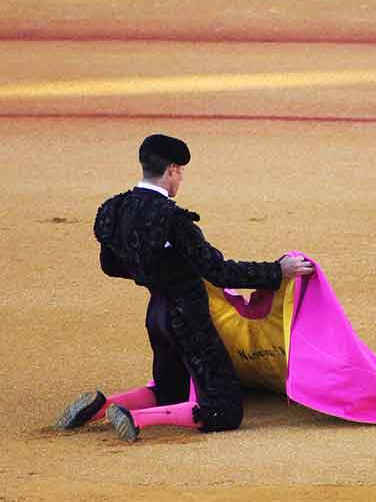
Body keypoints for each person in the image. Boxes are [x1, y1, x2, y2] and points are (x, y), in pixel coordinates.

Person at [54, 134, 313, 442]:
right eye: (181, 173)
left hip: (156, 316)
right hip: (188, 319)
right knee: (223, 410)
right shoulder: (174, 219)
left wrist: (155, 272)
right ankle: (135, 418)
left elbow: (110, 266)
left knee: (170, 389)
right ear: (173, 169)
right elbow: (218, 271)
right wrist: (276, 271)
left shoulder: (115, 209)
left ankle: (101, 407)